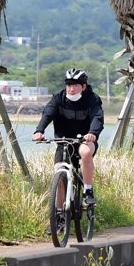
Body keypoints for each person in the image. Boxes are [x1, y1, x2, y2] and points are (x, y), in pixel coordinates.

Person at [33, 68, 104, 208]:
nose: (71, 89)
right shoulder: (58, 98)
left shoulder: (92, 99)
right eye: (69, 85)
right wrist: (39, 131)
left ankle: (88, 191)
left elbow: (97, 117)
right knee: (59, 175)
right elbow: (48, 114)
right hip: (63, 142)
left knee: (85, 152)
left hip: (85, 140)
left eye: (75, 85)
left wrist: (92, 133)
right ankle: (59, 215)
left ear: (83, 86)